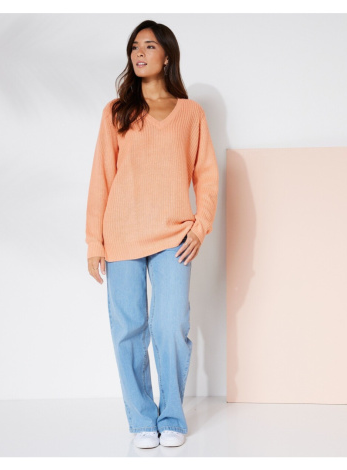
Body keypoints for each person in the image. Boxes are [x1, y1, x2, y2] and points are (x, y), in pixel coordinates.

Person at [85, 20, 219, 449]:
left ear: (167, 56)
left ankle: (172, 416)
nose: (139, 53)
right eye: (134, 47)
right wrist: (94, 242)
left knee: (169, 325)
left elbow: (206, 176)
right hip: (121, 234)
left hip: (174, 237)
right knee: (128, 329)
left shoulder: (191, 113)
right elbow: (101, 178)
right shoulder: (116, 112)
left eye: (149, 46)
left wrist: (200, 226)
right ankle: (142, 419)